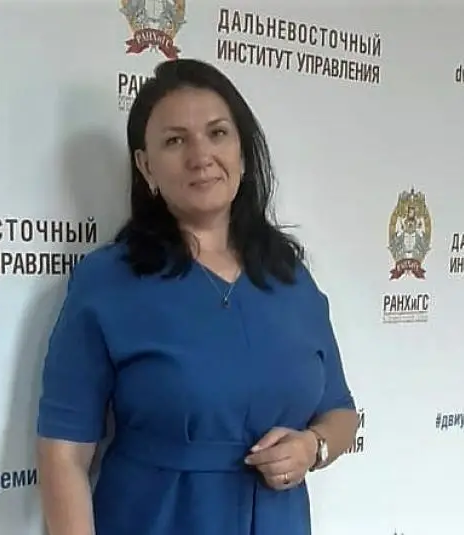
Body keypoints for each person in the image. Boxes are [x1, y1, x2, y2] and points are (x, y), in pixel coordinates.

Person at [35, 57, 358, 535]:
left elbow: (341, 412)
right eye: (175, 140)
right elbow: (63, 453)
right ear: (146, 167)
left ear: (243, 153)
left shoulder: (291, 278)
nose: (200, 155)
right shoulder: (107, 282)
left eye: (217, 133)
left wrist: (313, 447)